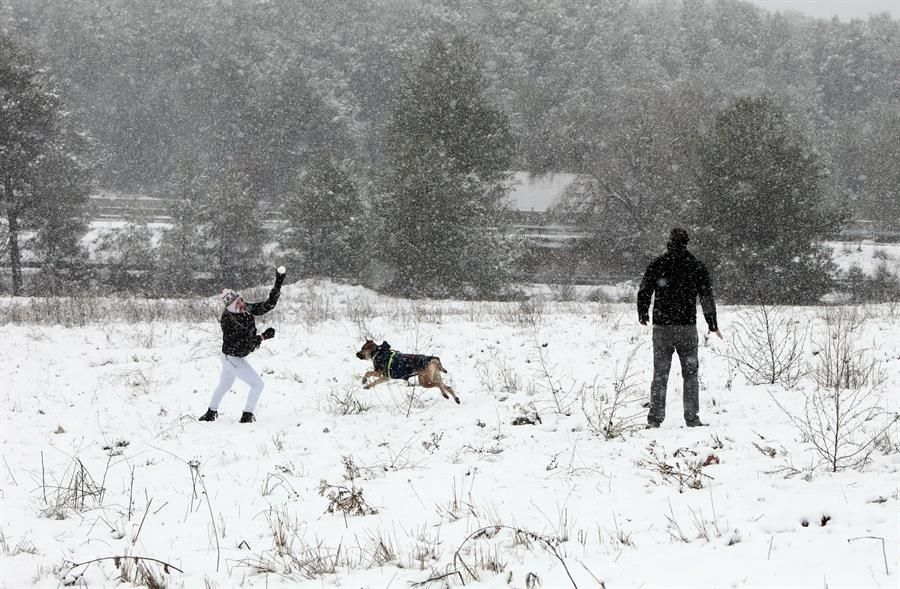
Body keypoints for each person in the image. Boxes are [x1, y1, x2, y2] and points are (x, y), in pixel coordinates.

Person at [637, 228, 720, 428]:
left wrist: (643, 313)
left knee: (660, 374)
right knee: (690, 374)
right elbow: (706, 296)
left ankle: (655, 419)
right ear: (686, 243)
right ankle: (692, 417)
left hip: (662, 327)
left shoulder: (658, 263)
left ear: (669, 242)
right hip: (687, 327)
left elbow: (645, 290)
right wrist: (712, 322)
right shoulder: (696, 266)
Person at [198, 266, 286, 424]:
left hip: (228, 356)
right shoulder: (231, 322)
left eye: (240, 300)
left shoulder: (243, 309)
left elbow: (267, 305)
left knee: (224, 385)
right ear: (231, 308)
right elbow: (244, 347)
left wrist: (278, 282)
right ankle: (247, 416)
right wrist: (263, 337)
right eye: (237, 304)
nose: (242, 304)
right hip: (232, 357)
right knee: (257, 384)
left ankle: (210, 413)